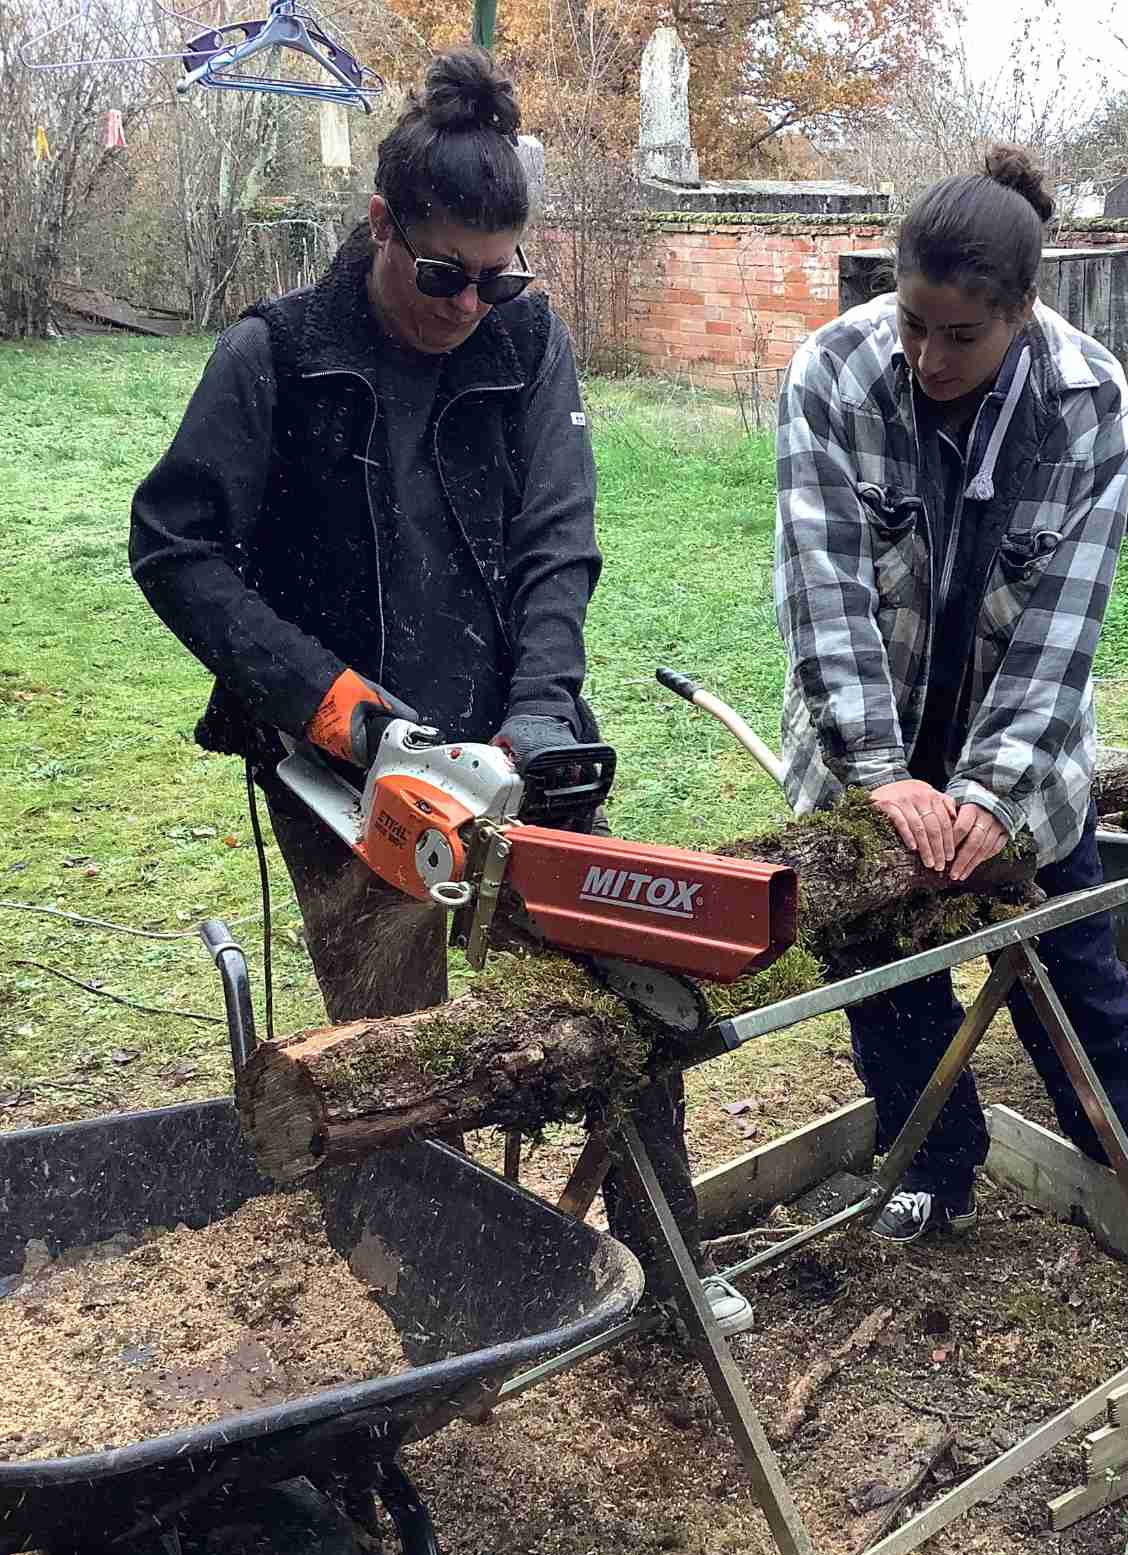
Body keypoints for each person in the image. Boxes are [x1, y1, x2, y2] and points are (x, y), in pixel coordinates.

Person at [129, 47, 751, 1333]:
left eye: (497, 275)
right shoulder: (279, 355)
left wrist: (537, 715)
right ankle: (424, 1299)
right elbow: (175, 546)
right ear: (379, 227)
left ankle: (670, 1276)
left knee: (626, 993)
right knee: (395, 1046)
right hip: (347, 763)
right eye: (441, 274)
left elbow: (556, 542)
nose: (470, 302)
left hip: (507, 738)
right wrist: (330, 704)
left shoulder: (526, 342)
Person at [774, 145, 1128, 1243]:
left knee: (1073, 972)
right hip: (868, 739)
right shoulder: (831, 376)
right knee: (884, 968)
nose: (927, 355)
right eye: (911, 323)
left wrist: (994, 791)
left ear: (1022, 311)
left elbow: (1065, 625)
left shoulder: (1090, 403)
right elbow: (821, 590)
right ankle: (934, 1164)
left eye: (959, 335)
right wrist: (879, 776)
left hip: (1026, 752)